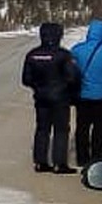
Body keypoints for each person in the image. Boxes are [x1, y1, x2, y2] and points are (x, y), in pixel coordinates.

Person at [21, 22, 81, 173]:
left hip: (41, 97)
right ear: (59, 35)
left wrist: (38, 86)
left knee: (42, 128)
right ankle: (59, 164)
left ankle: (40, 162)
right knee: (61, 130)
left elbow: (26, 80)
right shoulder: (64, 55)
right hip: (60, 97)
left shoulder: (32, 54)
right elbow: (72, 77)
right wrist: (68, 90)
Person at [72, 19, 102, 166]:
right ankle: (97, 158)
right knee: (100, 128)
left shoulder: (77, 49)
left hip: (82, 96)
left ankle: (82, 159)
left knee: (82, 127)